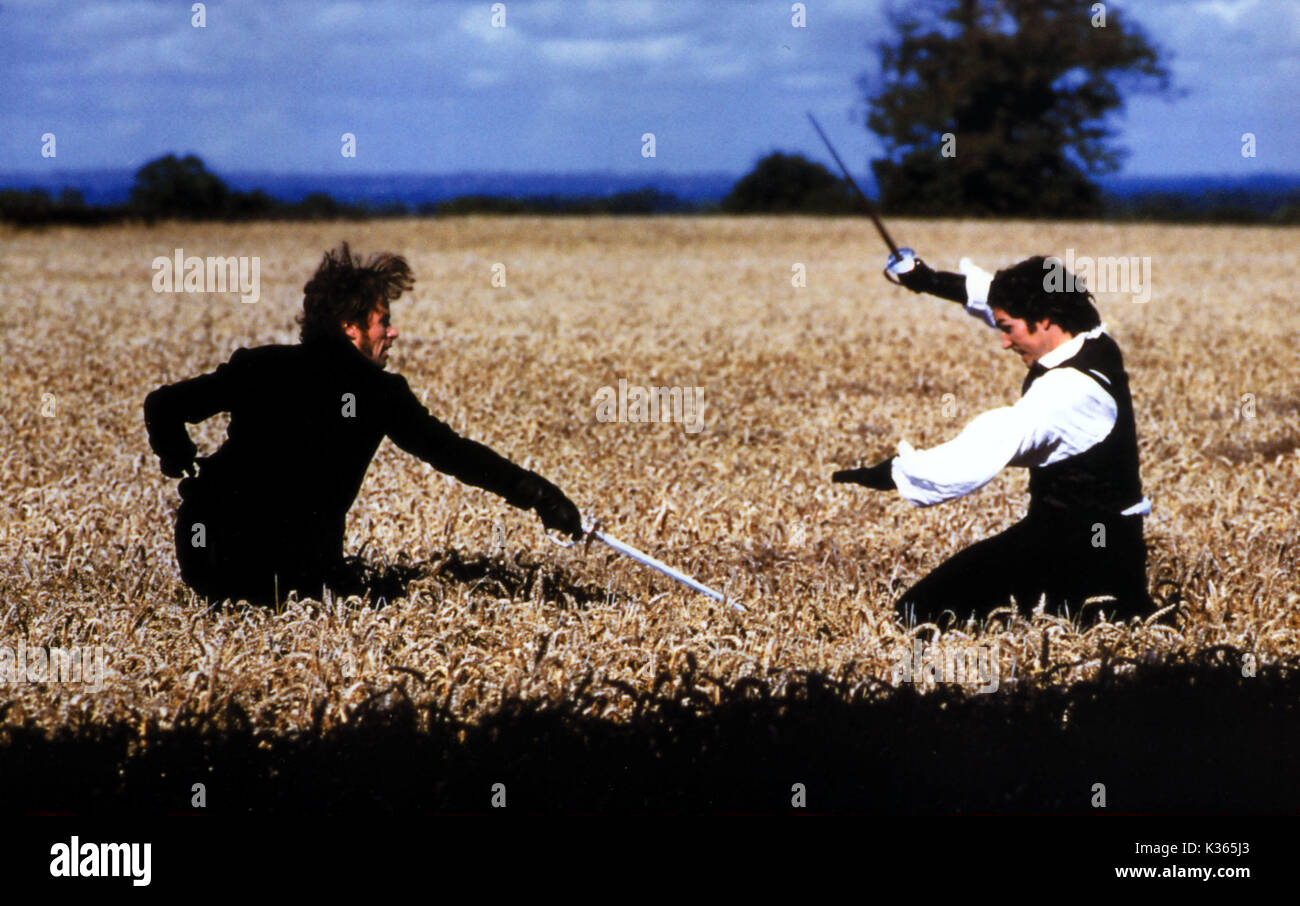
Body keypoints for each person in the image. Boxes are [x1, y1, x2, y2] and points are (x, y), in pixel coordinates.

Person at [144, 243, 583, 605]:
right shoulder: (379, 393)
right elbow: (455, 455)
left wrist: (179, 460)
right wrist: (542, 497)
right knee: (366, 595)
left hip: (206, 557)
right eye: (384, 322)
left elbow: (163, 405)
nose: (392, 334)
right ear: (350, 326)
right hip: (291, 573)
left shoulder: (259, 365)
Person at [832, 251, 1154, 629]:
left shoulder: (1068, 392)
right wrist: (927, 280)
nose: (1003, 342)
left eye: (1008, 329)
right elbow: (992, 296)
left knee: (920, 615)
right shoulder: (1088, 334)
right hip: (1087, 537)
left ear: (1045, 319)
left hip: (1084, 552)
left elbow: (988, 444)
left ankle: (1115, 610)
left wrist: (897, 472)